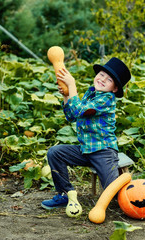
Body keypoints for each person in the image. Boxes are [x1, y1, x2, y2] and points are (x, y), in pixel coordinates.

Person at [41, 57, 131, 210]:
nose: (102, 79)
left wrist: (72, 85)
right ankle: (65, 194)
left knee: (115, 194)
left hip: (103, 152)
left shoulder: (107, 99)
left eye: (109, 80)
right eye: (102, 74)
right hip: (86, 150)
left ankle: (144, 193)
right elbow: (72, 115)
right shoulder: (91, 93)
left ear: (115, 89)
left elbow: (78, 110)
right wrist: (66, 95)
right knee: (55, 153)